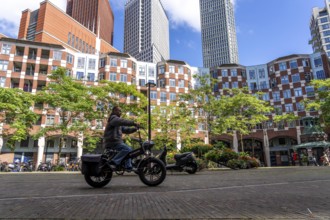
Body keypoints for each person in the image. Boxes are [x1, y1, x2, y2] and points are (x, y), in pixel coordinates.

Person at [103, 106, 139, 171]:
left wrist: (135, 129)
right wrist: (133, 123)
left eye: (121, 111)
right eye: (119, 111)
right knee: (128, 149)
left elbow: (125, 130)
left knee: (128, 149)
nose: (120, 112)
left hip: (116, 142)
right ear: (114, 111)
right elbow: (122, 121)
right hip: (112, 142)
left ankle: (128, 166)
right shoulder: (113, 119)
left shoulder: (117, 123)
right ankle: (114, 162)